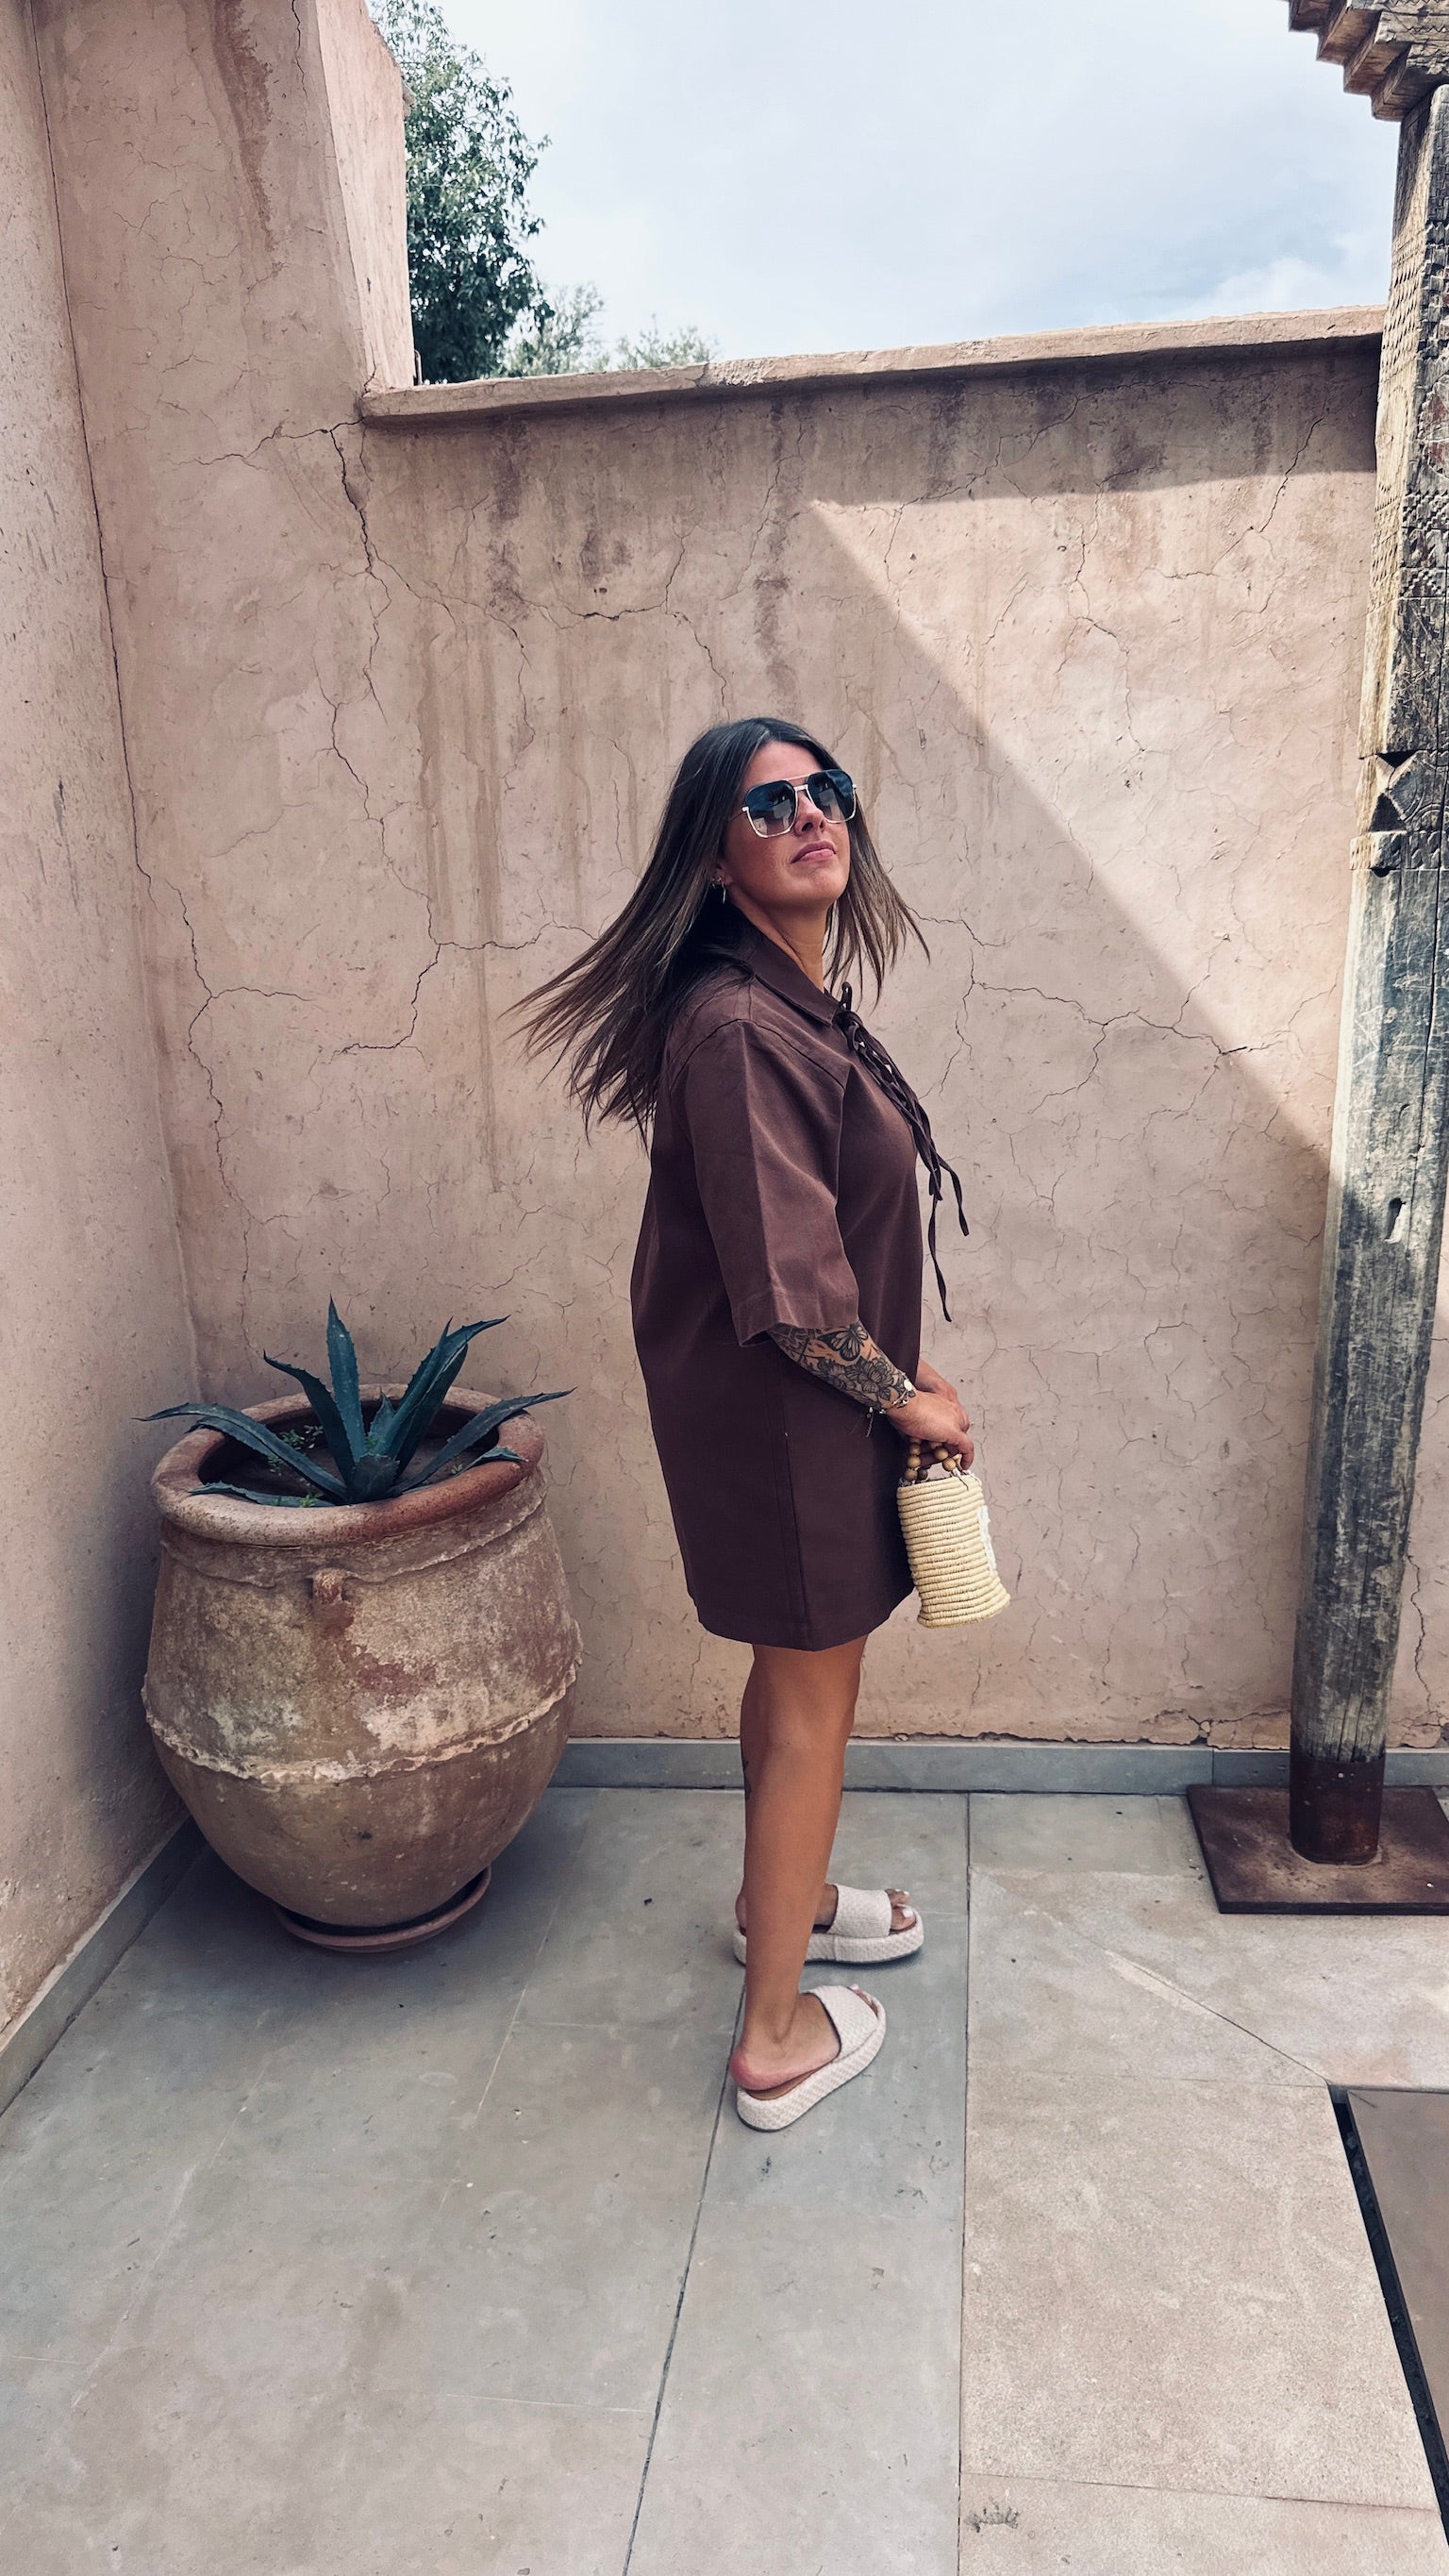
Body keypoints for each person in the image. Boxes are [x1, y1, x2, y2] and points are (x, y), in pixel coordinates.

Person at [519, 717, 972, 2131]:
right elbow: (789, 1288)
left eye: (824, 790)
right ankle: (774, 2038)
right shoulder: (735, 1027)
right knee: (813, 1708)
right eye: (768, 805)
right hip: (790, 1420)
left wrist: (902, 1373)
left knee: (791, 1685)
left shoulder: (790, 1005)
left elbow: (820, 1236)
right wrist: (911, 1396)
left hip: (802, 1410)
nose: (808, 814)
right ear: (715, 862)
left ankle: (779, 1902)